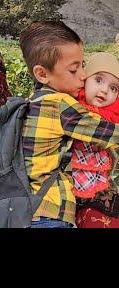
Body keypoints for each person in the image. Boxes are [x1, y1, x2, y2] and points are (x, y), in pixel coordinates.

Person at [18, 20, 119, 228]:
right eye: (74, 70)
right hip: (51, 211)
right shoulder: (61, 106)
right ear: (42, 74)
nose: (83, 75)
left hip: (26, 209)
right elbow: (110, 134)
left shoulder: (34, 101)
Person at [71, 52, 119, 228]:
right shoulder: (70, 107)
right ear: (84, 79)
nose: (105, 90)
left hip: (99, 188)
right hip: (66, 187)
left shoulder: (113, 117)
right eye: (98, 80)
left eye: (114, 88)